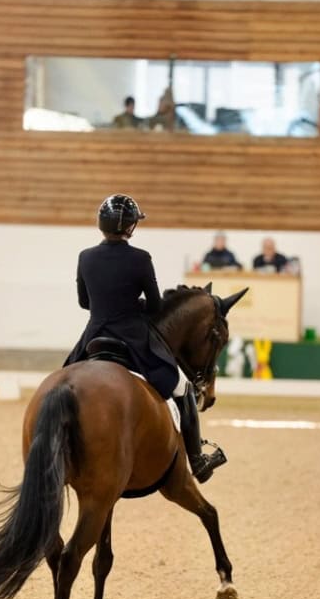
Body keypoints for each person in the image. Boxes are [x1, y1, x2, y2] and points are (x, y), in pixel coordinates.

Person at [64, 194, 226, 484]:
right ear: (129, 228)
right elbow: (153, 306)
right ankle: (198, 460)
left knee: (64, 383)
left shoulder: (85, 257)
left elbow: (83, 302)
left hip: (94, 335)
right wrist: (131, 305)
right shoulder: (140, 258)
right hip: (133, 337)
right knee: (182, 387)